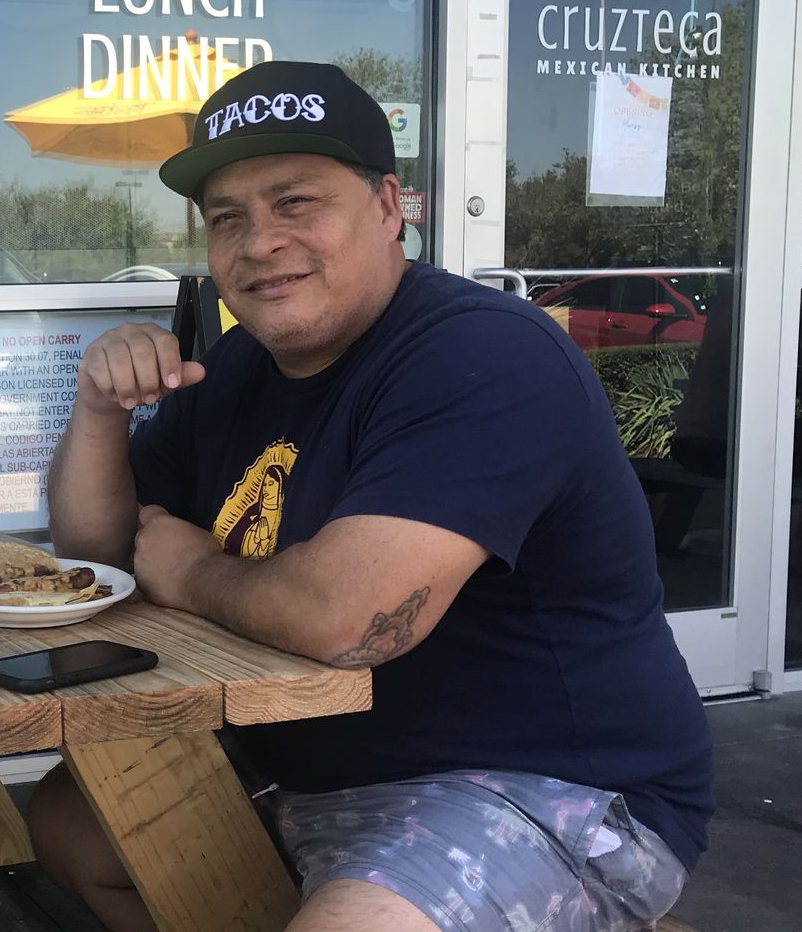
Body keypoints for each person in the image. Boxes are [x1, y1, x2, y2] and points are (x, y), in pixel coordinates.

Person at [35, 61, 714, 932]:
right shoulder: (239, 365)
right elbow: (93, 557)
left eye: (295, 202)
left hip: (541, 788)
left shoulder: (482, 355)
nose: (259, 242)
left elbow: (348, 620)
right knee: (73, 824)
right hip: (298, 767)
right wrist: (99, 408)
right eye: (228, 218)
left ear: (389, 207)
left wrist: (193, 570)